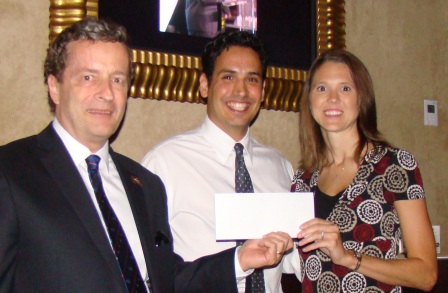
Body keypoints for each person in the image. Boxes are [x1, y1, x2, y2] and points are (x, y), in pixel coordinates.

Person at [0, 17, 293, 292]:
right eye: (89, 77)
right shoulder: (11, 173)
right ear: (54, 86)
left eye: (117, 79)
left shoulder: (144, 184)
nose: (105, 93)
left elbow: (169, 281)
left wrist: (238, 261)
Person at [142, 31, 298, 293]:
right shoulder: (164, 163)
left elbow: (295, 264)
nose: (241, 91)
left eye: (252, 79)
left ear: (263, 90)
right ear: (205, 84)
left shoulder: (281, 167)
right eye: (228, 77)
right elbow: (151, 272)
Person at [291, 49, 438, 292]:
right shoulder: (302, 181)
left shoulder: (394, 165)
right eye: (322, 88)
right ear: (309, 100)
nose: (333, 98)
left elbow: (426, 274)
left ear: (362, 98)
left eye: (345, 88)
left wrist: (349, 258)